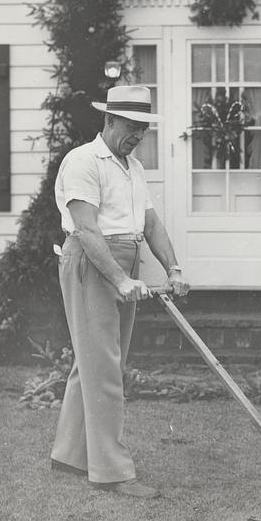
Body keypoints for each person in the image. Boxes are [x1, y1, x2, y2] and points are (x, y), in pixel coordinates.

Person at [50, 85, 189, 498]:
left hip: (123, 263)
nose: (137, 136)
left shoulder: (134, 168)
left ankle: (69, 453)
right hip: (93, 263)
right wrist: (120, 279)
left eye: (142, 129)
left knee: (95, 361)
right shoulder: (82, 161)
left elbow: (151, 225)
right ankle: (112, 472)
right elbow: (87, 229)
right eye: (131, 127)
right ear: (109, 120)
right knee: (104, 367)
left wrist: (174, 267)